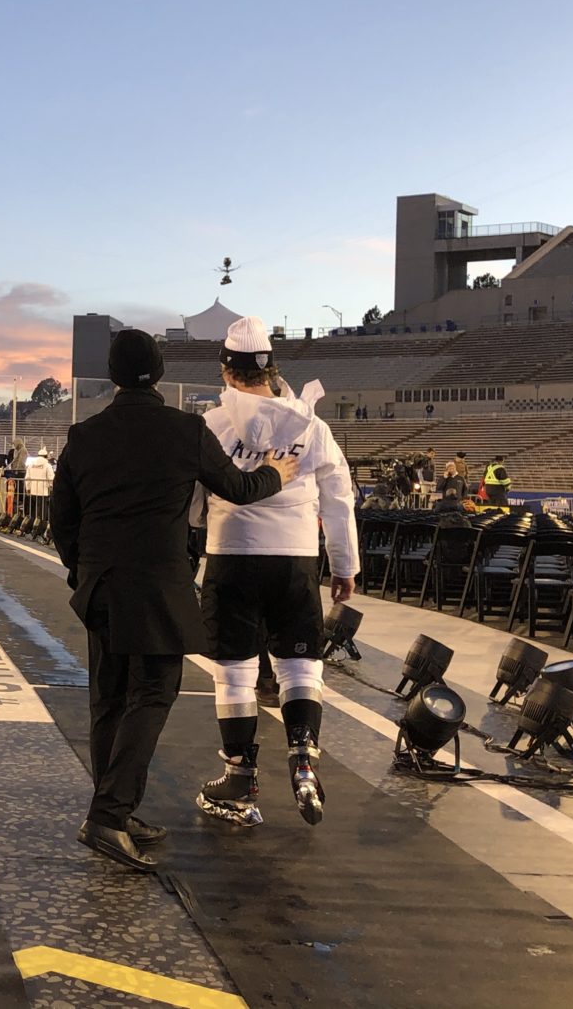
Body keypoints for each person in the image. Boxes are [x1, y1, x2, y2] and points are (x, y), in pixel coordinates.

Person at [50, 329, 295, 872]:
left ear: (112, 374)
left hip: (100, 584)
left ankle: (112, 804)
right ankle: (109, 817)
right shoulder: (185, 429)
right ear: (159, 372)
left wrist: (81, 571)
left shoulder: (83, 434)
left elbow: (61, 521)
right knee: (154, 693)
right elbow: (238, 488)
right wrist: (276, 473)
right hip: (157, 584)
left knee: (108, 699)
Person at [192, 316, 358, 831]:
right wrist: (345, 565)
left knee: (235, 670)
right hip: (295, 557)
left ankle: (240, 779)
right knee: (300, 666)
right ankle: (303, 754)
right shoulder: (312, 425)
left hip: (232, 555)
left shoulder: (214, 424)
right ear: (271, 368)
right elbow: (338, 498)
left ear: (226, 369)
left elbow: (194, 502)